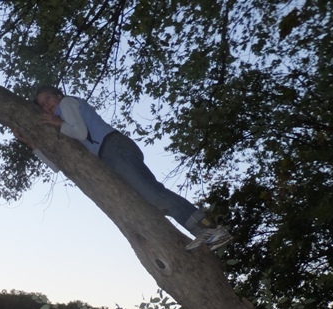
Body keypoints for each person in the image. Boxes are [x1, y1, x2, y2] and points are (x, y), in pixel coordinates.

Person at [14, 85, 231, 251]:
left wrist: (57, 122)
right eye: (42, 105)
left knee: (154, 195)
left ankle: (210, 229)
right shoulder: (62, 124)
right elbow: (57, 165)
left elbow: (79, 133)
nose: (47, 106)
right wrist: (32, 145)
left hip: (114, 148)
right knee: (150, 200)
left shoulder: (67, 104)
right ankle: (202, 229)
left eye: (48, 99)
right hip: (111, 157)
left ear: (58, 95)